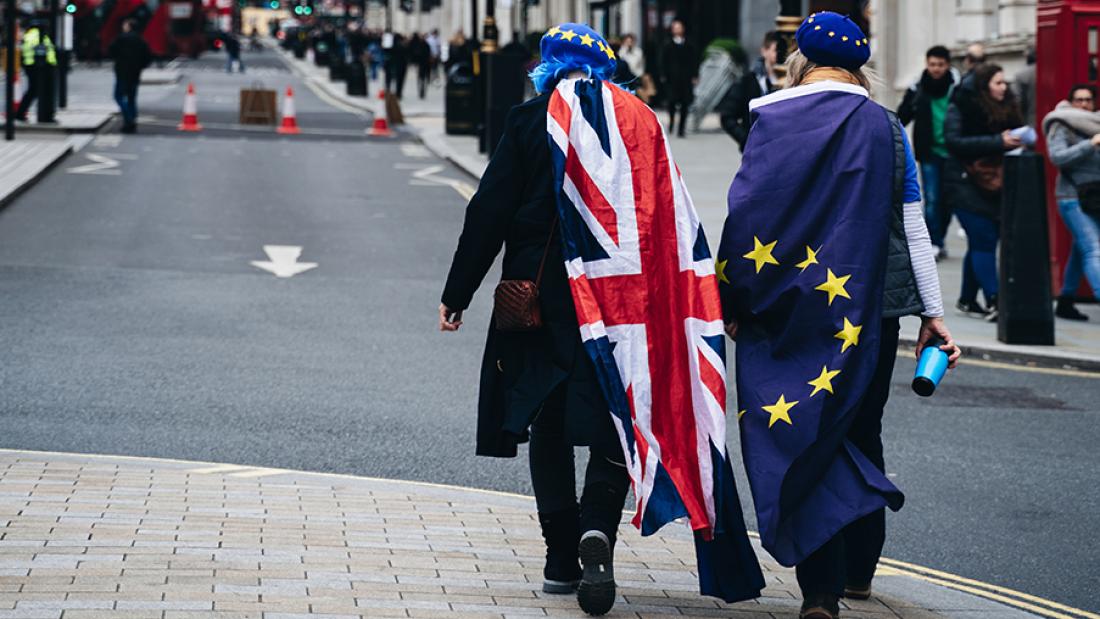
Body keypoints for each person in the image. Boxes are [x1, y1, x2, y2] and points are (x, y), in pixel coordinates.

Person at [440, 22, 763, 616]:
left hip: (538, 304)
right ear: (607, 68)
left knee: (548, 426)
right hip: (620, 308)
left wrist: (457, 293)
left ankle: (561, 555)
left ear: (547, 67)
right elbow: (668, 217)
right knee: (617, 419)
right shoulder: (640, 122)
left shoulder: (528, 120)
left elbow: (488, 212)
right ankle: (598, 534)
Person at [715, 13, 960, 619]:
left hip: (785, 305)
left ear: (798, 59)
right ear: (860, 66)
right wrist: (933, 311)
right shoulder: (886, 125)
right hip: (871, 307)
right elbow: (912, 224)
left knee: (803, 432)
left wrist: (732, 298)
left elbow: (748, 215)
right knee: (859, 428)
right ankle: (858, 572)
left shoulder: (768, 115)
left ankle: (819, 592)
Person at [944, 63, 1024, 321]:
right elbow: (953, 141)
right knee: (984, 239)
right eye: (998, 83)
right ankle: (995, 299)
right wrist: (998, 141)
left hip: (994, 182)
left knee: (981, 242)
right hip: (964, 181)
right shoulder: (962, 105)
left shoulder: (1007, 106)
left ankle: (967, 299)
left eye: (1004, 83)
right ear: (984, 85)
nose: (1004, 87)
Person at [1042, 85, 1100, 321]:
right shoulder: (1061, 124)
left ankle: (1065, 301)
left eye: (1088, 100)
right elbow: (1058, 157)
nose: (1084, 104)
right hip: (1072, 197)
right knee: (1093, 249)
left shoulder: (1096, 123)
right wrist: (1090, 144)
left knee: (1080, 249)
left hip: (1095, 197)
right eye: (1079, 100)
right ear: (1070, 102)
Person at [897, 45, 960, 260]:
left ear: (948, 65)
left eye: (940, 65)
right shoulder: (918, 88)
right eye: (932, 64)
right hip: (929, 151)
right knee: (932, 198)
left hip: (954, 152)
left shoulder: (957, 88)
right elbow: (901, 116)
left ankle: (939, 235)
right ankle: (935, 242)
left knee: (949, 200)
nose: (936, 69)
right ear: (927, 64)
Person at [718, 30, 781, 151]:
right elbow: (727, 116)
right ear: (764, 51)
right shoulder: (748, 81)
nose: (780, 54)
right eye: (776, 50)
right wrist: (746, 140)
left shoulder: (792, 80)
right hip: (756, 151)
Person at [108, 19, 152, 134]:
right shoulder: (141, 40)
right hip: (135, 73)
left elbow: (111, 51)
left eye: (125, 25)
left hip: (122, 72)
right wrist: (140, 66)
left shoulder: (121, 38)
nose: (123, 27)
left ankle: (128, 119)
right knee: (132, 98)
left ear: (129, 27)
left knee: (118, 96)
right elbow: (148, 56)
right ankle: (132, 120)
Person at [14, 19, 57, 122]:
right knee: (42, 91)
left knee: (33, 91)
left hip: (32, 66)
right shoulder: (38, 35)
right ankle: (46, 116)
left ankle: (21, 113)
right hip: (40, 67)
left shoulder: (29, 35)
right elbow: (41, 50)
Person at [660, 19, 698, 137]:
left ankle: (681, 128)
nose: (677, 30)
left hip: (686, 78)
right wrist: (663, 75)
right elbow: (663, 61)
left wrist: (695, 75)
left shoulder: (689, 44)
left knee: (685, 103)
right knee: (671, 102)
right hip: (672, 78)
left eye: (679, 27)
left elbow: (694, 61)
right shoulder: (667, 45)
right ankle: (671, 121)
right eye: (675, 28)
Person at [409, 33, 431, 100]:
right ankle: (422, 91)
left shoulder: (422, 45)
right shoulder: (425, 45)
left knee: (421, 79)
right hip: (424, 64)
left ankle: (421, 91)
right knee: (423, 79)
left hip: (422, 64)